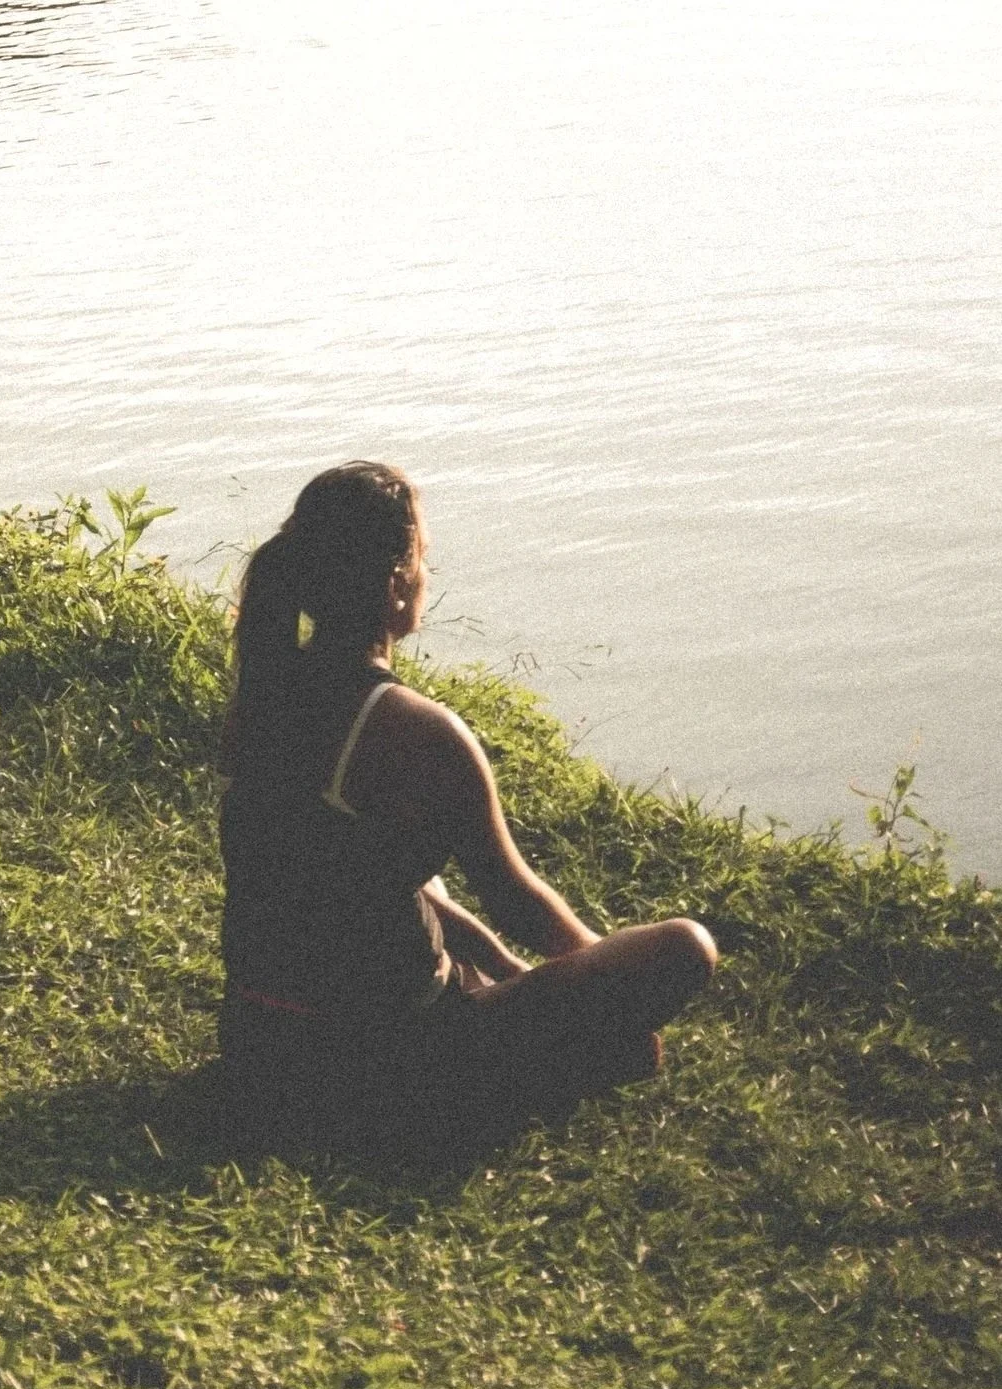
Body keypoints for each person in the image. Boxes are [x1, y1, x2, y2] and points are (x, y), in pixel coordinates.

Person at [219, 462, 717, 1161]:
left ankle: (529, 1027)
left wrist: (507, 970)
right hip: (381, 1065)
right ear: (395, 584)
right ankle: (533, 1064)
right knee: (682, 948)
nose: (427, 573)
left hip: (258, 1044)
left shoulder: (267, 693)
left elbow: (365, 879)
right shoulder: (418, 733)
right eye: (422, 558)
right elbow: (517, 898)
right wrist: (597, 976)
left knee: (404, 869)